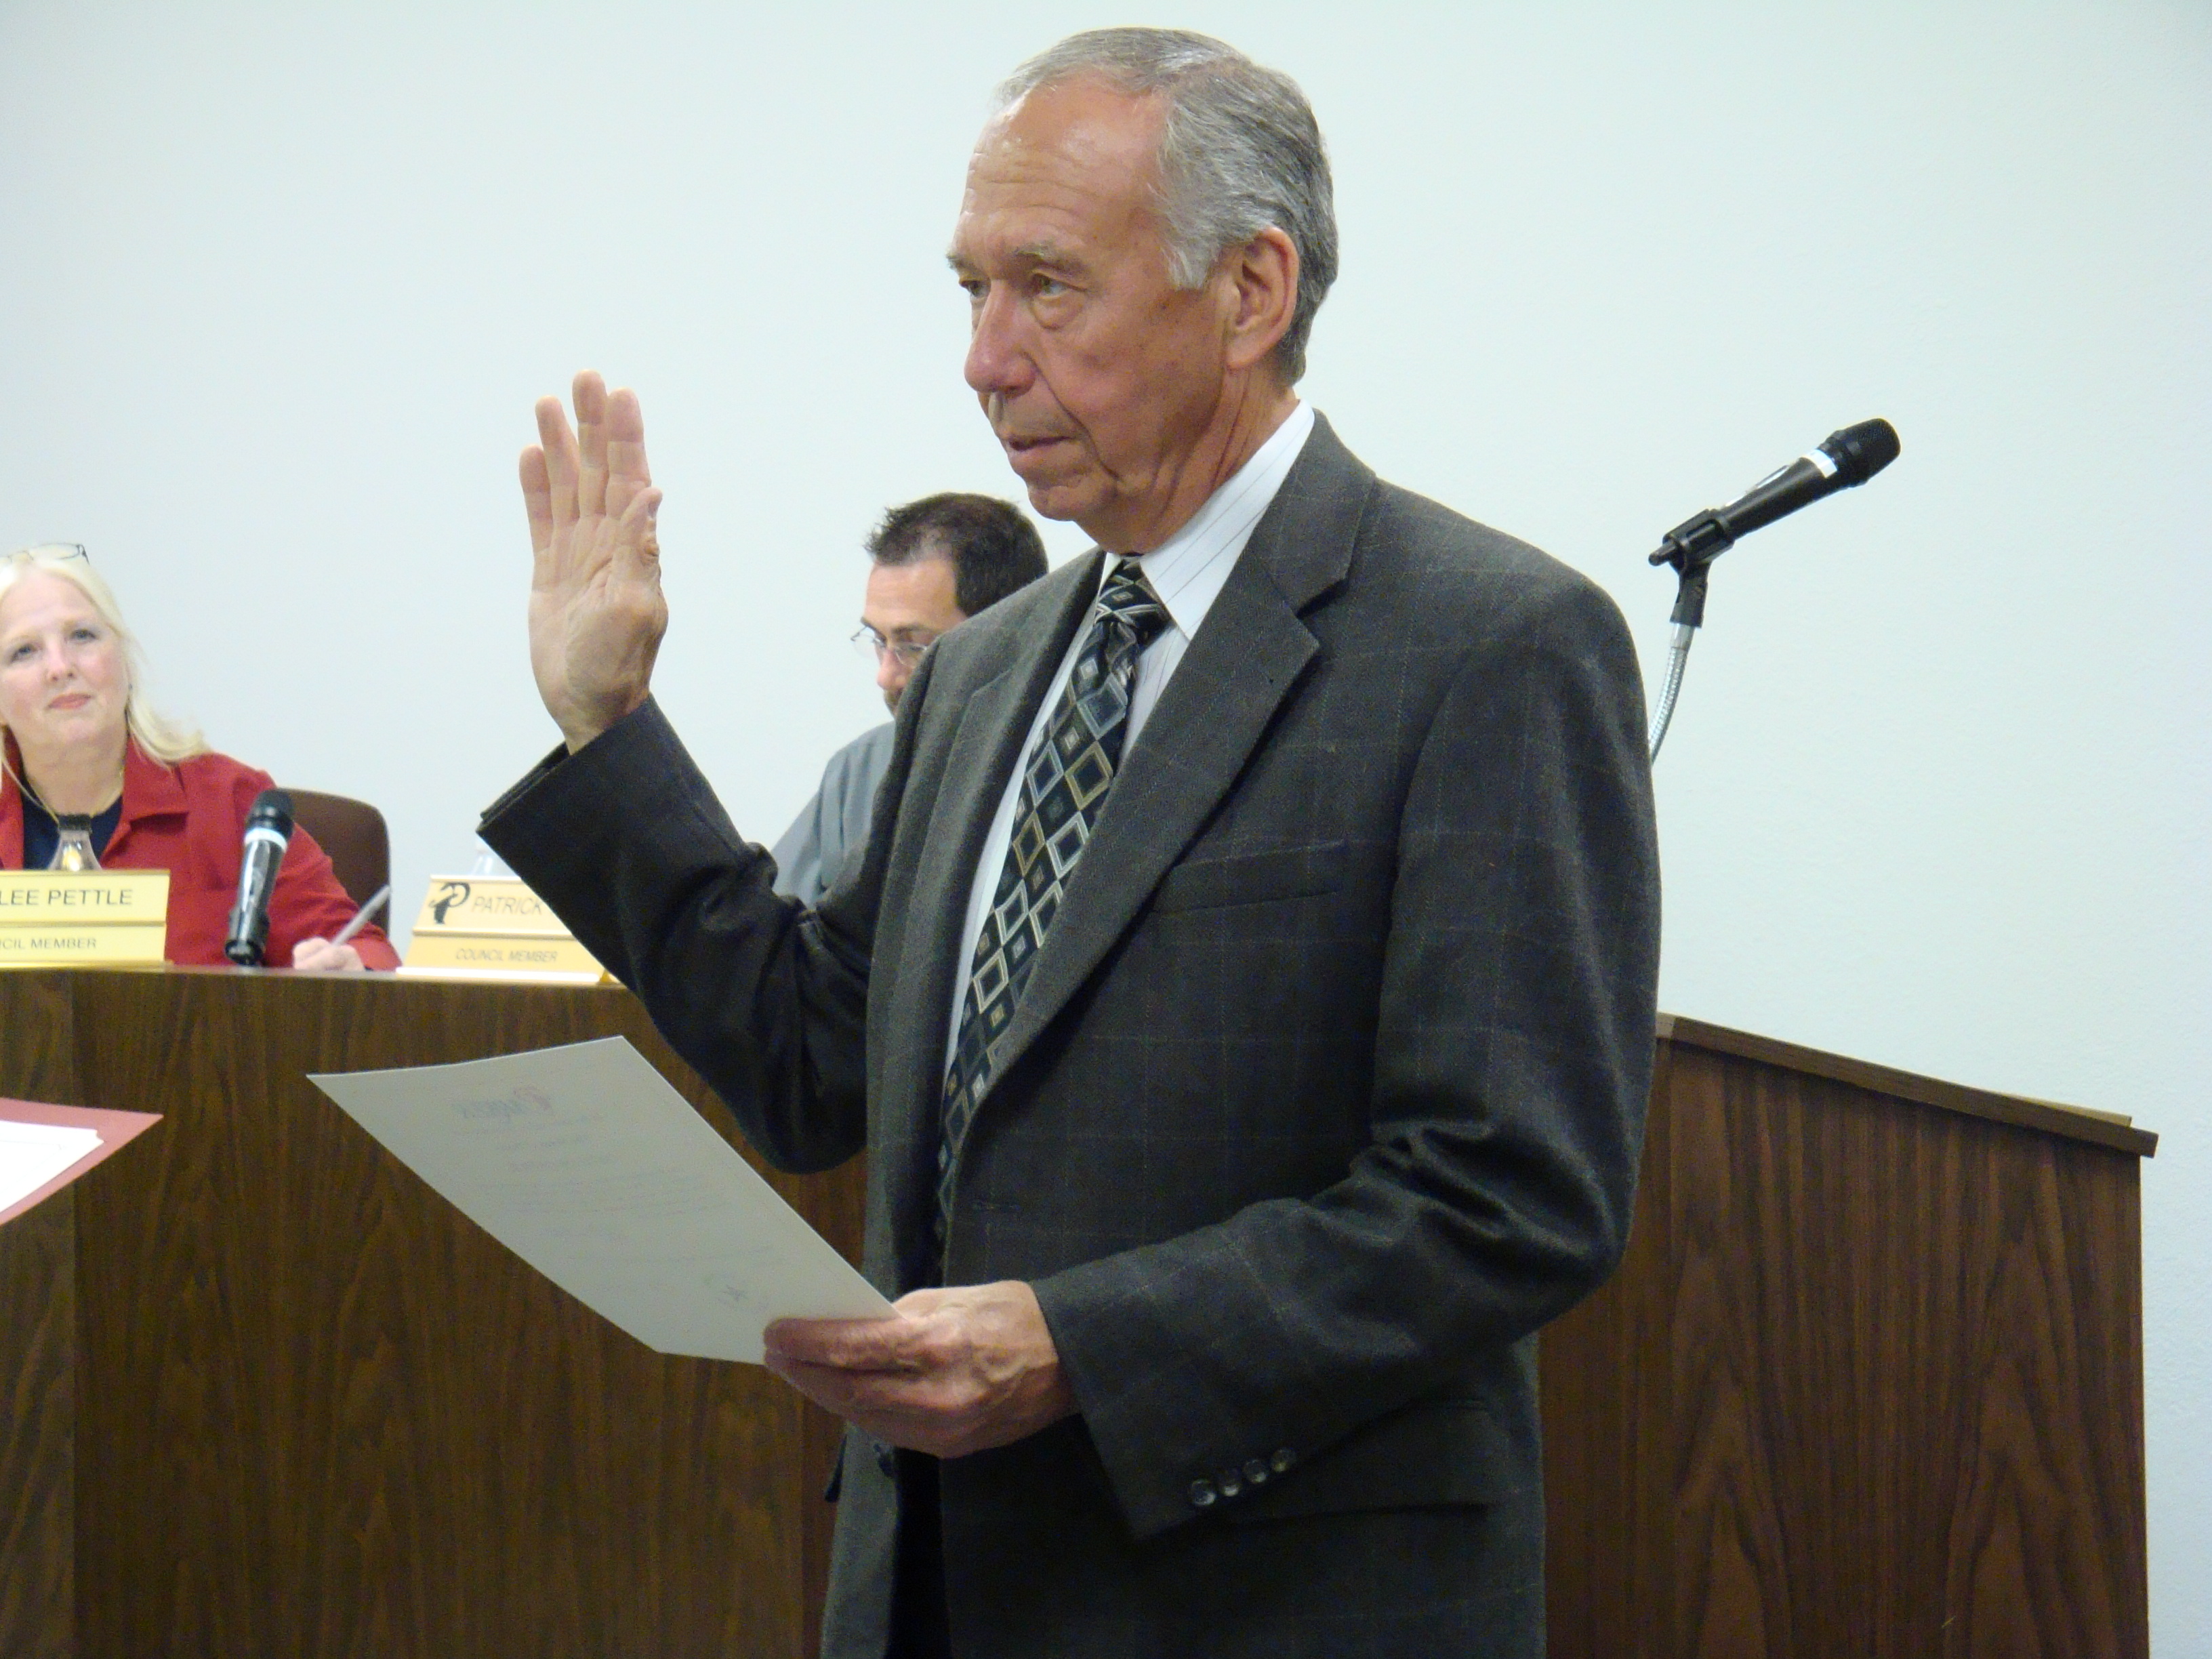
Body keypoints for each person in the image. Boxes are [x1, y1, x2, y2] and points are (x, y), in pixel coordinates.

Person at [483, 27, 1658, 1658]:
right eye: (967, 287)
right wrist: (610, 728)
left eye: (1045, 286)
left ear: (1250, 290)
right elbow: (813, 1053)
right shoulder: (981, 669)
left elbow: (1510, 1192)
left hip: (1270, 1601)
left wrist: (1081, 1347)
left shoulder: (1488, 643)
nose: (983, 357)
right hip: (940, 1590)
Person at [0, 544, 398, 970]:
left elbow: (369, 953)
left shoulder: (227, 800)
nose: (60, 667)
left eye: (82, 635)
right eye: (24, 651)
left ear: (125, 661)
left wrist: (348, 965)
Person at [772, 493, 1047, 905]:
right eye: (879, 641)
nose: (885, 675)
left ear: (1010, 632)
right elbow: (780, 949)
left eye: (913, 645)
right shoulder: (859, 771)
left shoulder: (1076, 765)